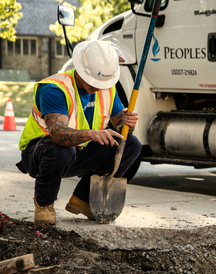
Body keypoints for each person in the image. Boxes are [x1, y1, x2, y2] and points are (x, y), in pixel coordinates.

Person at [16, 40, 142, 225]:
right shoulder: (54, 88)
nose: (98, 86)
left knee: (131, 144)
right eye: (93, 81)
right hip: (41, 154)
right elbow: (58, 135)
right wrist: (91, 134)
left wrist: (126, 122)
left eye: (102, 82)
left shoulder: (106, 87)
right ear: (81, 69)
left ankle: (84, 200)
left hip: (78, 152)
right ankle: (44, 204)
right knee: (60, 149)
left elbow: (119, 124)